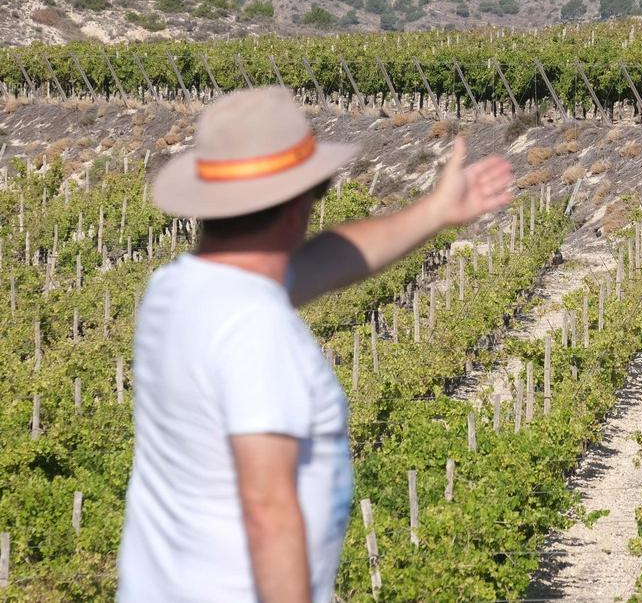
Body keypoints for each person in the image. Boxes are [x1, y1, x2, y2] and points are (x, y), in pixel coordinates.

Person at [117, 87, 513, 602]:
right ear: (294, 208)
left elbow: (322, 263)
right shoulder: (256, 329)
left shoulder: (177, 290)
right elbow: (268, 512)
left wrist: (435, 212)